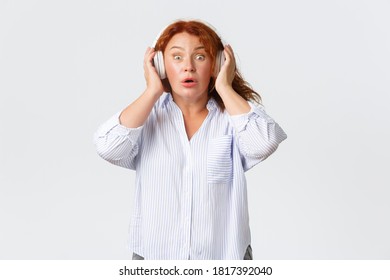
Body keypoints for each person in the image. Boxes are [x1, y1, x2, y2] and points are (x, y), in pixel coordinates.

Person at [94, 19, 287, 260]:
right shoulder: (146, 117)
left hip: (225, 258)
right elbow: (108, 147)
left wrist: (225, 88)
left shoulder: (233, 118)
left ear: (216, 64)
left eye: (200, 57)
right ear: (160, 66)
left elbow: (264, 143)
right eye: (176, 57)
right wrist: (152, 90)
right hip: (155, 259)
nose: (188, 67)